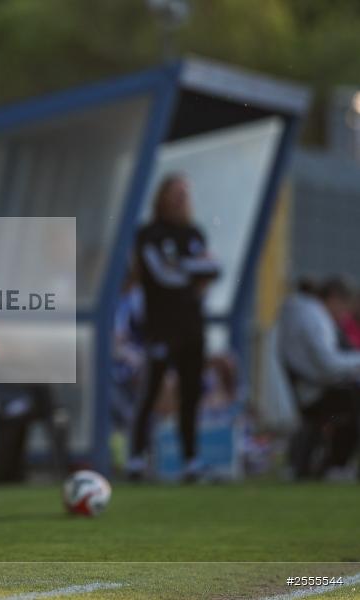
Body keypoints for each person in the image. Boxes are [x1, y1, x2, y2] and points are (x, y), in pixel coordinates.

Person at [127, 175, 219, 482]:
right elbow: (162, 274)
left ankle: (191, 460)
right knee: (152, 391)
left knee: (191, 394)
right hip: (161, 327)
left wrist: (185, 269)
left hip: (193, 327)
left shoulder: (194, 232)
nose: (180, 199)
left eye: (185, 194)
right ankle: (136, 459)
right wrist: (192, 272)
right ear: (162, 196)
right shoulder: (149, 234)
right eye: (175, 193)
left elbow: (213, 270)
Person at [278, 276, 360, 479]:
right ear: (333, 299)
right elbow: (328, 364)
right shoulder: (315, 317)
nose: (343, 316)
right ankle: (336, 465)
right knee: (352, 408)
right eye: (342, 309)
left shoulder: (298, 313)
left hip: (309, 391)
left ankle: (330, 464)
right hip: (317, 394)